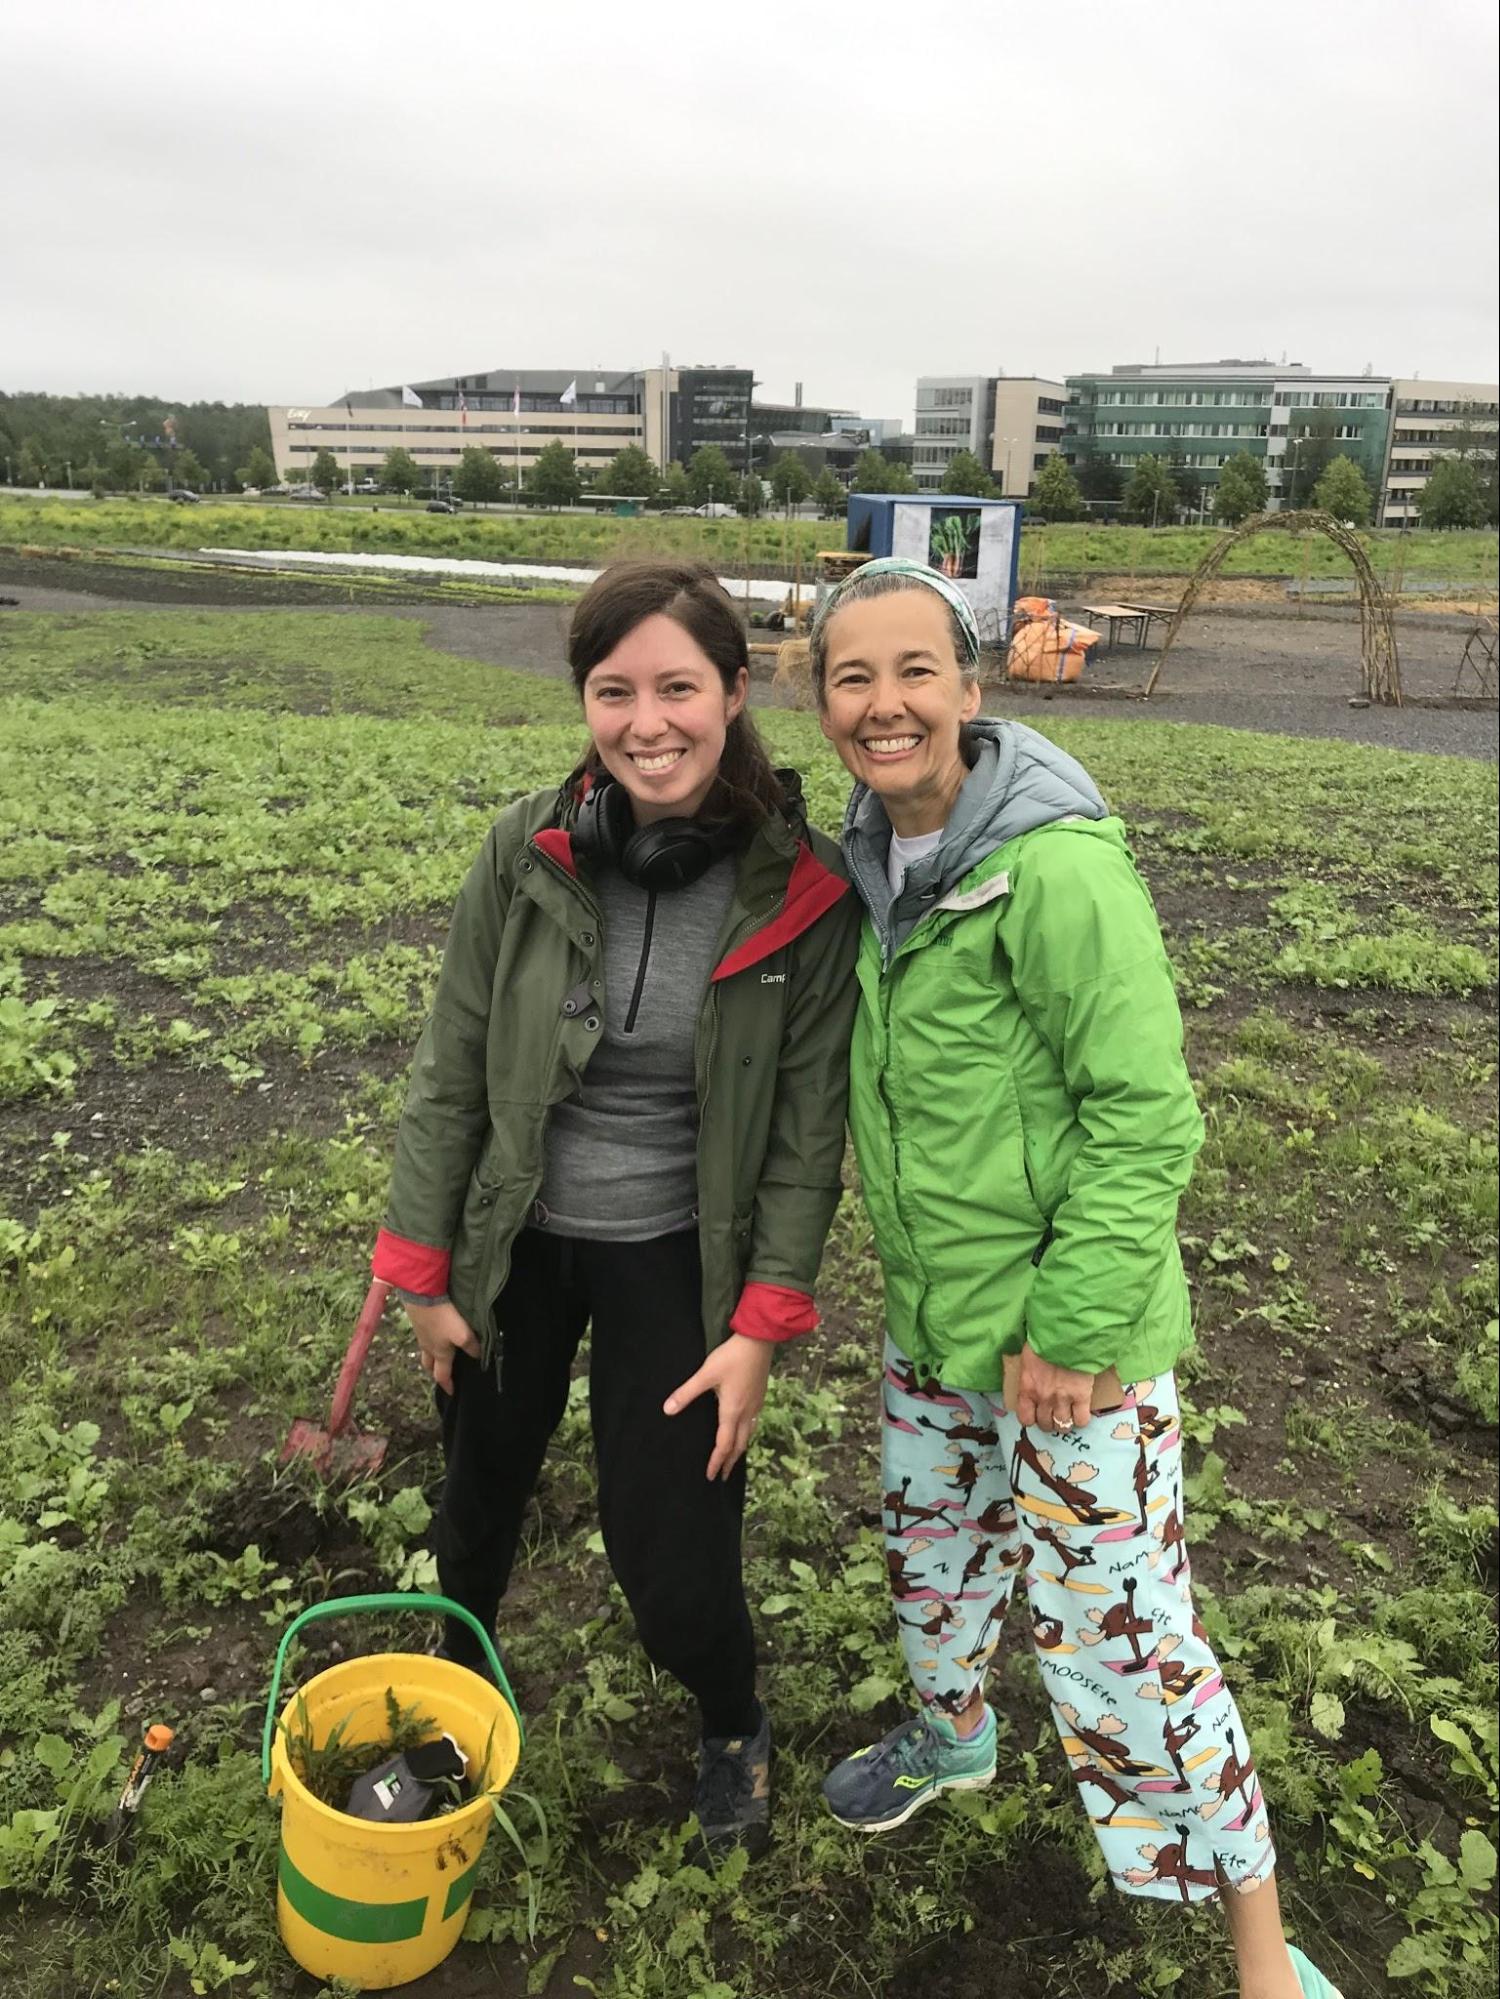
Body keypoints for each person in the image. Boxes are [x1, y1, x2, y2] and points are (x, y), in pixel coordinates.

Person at [808, 557, 1344, 1999]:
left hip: (1070, 1355)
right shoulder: (870, 859)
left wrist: (1073, 1328)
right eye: (851, 678)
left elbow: (1147, 1113)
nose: (885, 703)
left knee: (1130, 1639)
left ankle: (1258, 1951)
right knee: (935, 1567)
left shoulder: (1053, 865)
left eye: (914, 670)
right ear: (823, 707)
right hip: (935, 1330)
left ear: (971, 690)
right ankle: (954, 1733)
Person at [372, 561, 860, 1854]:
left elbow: (811, 1140)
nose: (648, 722)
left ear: (738, 691)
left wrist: (759, 1328)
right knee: (474, 1508)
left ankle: (733, 1719)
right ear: (584, 700)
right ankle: (461, 1686)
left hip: (676, 1265)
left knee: (671, 1558)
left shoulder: (802, 891)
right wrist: (423, 1274)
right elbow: (449, 1065)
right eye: (614, 690)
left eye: (678, 688)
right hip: (516, 1241)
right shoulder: (526, 852)